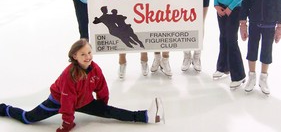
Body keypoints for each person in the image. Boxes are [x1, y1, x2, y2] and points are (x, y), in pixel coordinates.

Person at [0, 39, 164, 132]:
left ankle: (145, 116)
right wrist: (67, 124)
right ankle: (3, 108)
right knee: (28, 118)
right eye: (83, 54)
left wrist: (102, 104)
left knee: (111, 112)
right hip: (58, 101)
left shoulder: (95, 68)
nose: (87, 57)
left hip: (83, 100)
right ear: (74, 56)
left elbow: (102, 87)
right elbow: (67, 102)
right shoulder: (69, 76)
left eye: (89, 53)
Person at [239, 0, 281, 95]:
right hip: (254, 23)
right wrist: (243, 23)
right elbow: (245, 3)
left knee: (266, 51)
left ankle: (263, 78)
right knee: (252, 50)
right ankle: (251, 77)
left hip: (270, 25)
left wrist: (280, 26)